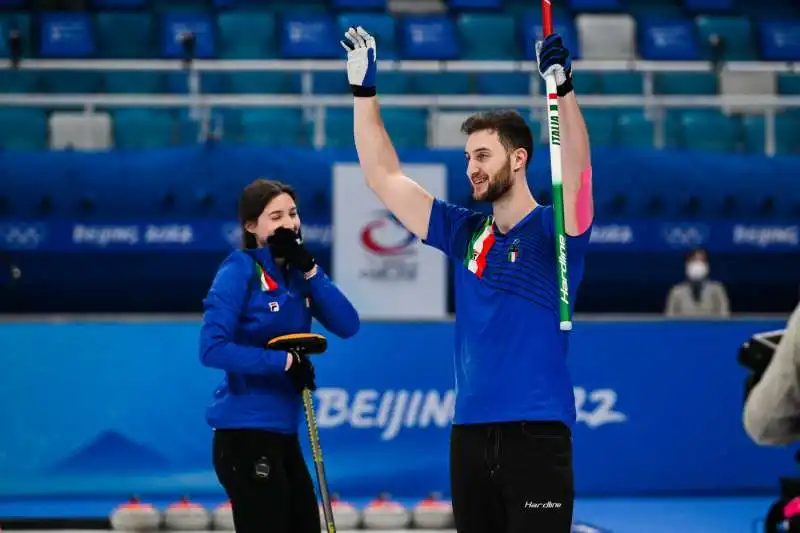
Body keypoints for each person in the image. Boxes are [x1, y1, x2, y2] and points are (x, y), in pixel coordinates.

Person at [341, 27, 593, 532]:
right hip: (469, 437)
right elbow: (382, 177)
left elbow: (579, 171)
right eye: (467, 158)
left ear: (519, 158)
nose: (471, 168)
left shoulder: (554, 231)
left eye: (482, 156)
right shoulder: (464, 233)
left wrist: (562, 90)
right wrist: (364, 96)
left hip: (536, 436)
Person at [199, 178, 360, 533]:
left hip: (284, 433)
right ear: (252, 226)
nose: (289, 223)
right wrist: (284, 363)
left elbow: (348, 324)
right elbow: (211, 348)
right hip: (245, 432)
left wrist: (312, 270)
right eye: (275, 217)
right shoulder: (239, 269)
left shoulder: (299, 275)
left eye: (293, 213)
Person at [664, 247, 730, 318]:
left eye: (701, 261)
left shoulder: (718, 289)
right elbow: (669, 319)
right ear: (687, 264)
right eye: (694, 261)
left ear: (706, 265)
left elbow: (725, 317)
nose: (697, 264)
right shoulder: (676, 291)